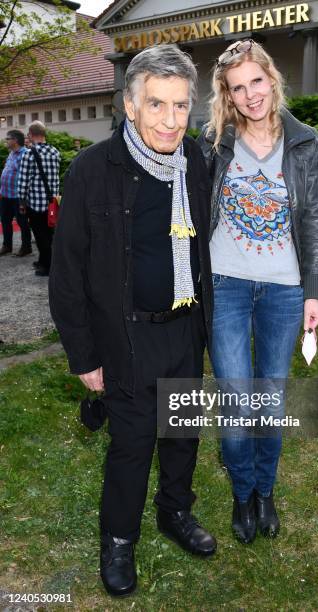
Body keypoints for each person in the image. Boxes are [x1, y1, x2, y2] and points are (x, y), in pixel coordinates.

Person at [49, 44, 216, 598]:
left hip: (185, 330)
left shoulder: (195, 161)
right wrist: (84, 356)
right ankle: (118, 541)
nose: (170, 120)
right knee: (132, 445)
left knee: (182, 435)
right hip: (124, 337)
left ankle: (175, 512)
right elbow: (67, 273)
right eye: (156, 105)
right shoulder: (93, 170)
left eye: (180, 106)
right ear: (129, 105)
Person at [198, 39, 318, 544]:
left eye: (256, 81)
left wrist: (313, 292)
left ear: (271, 79)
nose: (250, 94)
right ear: (228, 97)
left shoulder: (305, 141)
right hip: (227, 285)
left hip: (284, 290)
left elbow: (316, 217)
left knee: (270, 402)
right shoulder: (215, 142)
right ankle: (242, 492)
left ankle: (265, 491)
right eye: (238, 88)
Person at [18, 121, 60, 276]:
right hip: (51, 202)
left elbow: (23, 181)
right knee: (49, 234)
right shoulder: (55, 151)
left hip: (35, 203)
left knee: (40, 236)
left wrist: (21, 202)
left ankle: (48, 267)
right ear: (44, 134)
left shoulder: (29, 153)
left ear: (30, 134)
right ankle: (43, 261)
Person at [0, 129, 32, 256]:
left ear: (15, 140)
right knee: (5, 220)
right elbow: (7, 171)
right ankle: (7, 246)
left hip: (18, 195)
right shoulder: (11, 153)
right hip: (6, 194)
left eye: (8, 138)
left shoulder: (25, 154)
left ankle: (26, 247)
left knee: (22, 222)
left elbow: (26, 176)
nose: (6, 141)